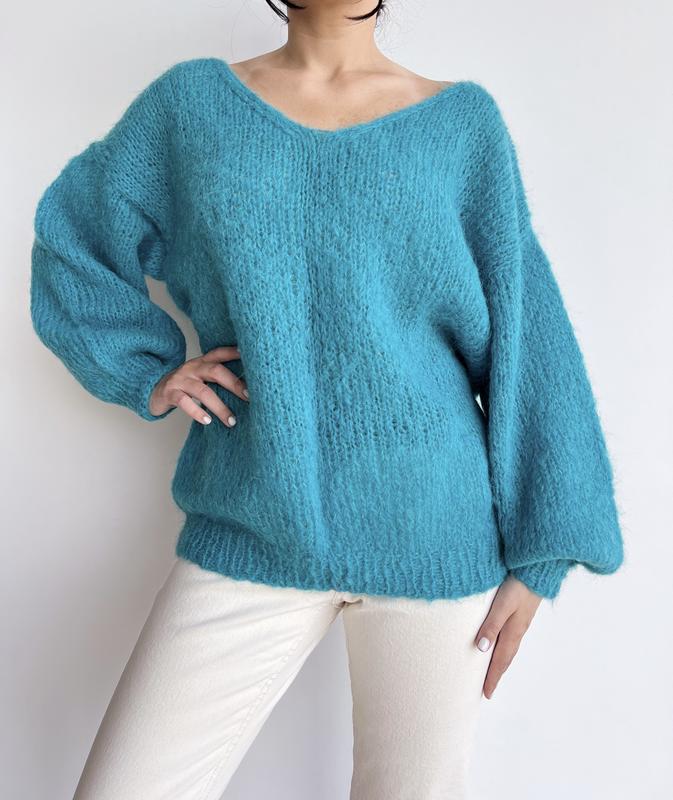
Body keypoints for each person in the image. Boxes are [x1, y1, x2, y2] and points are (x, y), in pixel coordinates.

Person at [29, 1, 625, 798]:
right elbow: (74, 236)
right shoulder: (191, 109)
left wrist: (542, 550)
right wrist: (149, 369)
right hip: (254, 520)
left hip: (434, 535)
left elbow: (526, 329)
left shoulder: (459, 126)